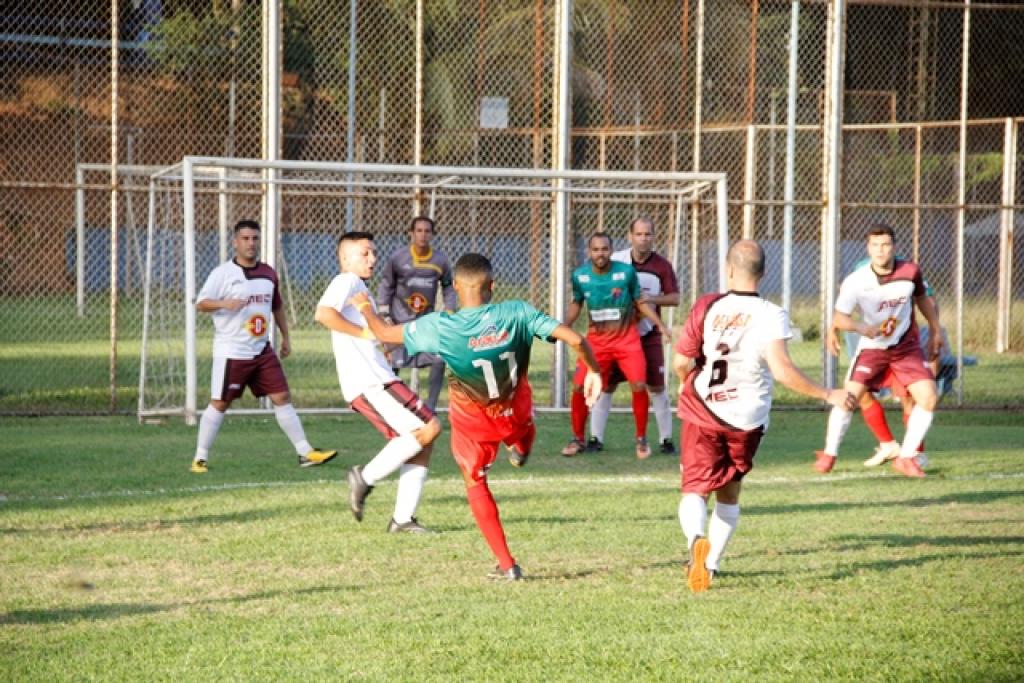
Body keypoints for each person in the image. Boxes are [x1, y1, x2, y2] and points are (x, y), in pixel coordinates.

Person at [352, 253, 602, 581]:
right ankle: (520, 448)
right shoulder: (517, 312)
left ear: (455, 287)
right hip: (516, 412)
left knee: (476, 481)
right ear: (492, 286)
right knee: (522, 429)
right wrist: (594, 371)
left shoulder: (441, 326)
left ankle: (507, 565)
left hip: (474, 426)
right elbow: (577, 339)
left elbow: (384, 334)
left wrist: (364, 307)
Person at [674, 240, 856, 592]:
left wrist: (686, 381)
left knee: (694, 488)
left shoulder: (708, 305)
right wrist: (828, 393)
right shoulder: (772, 314)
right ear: (763, 273)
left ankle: (696, 539)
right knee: (730, 493)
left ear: (729, 269)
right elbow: (783, 370)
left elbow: (681, 361)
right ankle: (710, 565)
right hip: (747, 418)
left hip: (704, 408)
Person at [315, 231, 442, 533]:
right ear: (345, 258)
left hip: (378, 377)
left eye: (373, 252)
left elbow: (375, 332)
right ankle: (364, 477)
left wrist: (383, 340)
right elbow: (323, 314)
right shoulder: (347, 280)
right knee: (429, 428)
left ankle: (403, 519)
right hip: (370, 382)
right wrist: (363, 334)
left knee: (422, 442)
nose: (372, 258)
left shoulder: (360, 289)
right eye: (364, 253)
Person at [189, 220, 336, 474]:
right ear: (235, 242)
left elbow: (277, 306)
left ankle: (305, 452)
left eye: (255, 238)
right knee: (220, 403)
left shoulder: (268, 273)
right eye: (245, 238)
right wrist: (224, 303)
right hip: (232, 352)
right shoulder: (223, 274)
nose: (251, 243)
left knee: (282, 397)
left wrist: (286, 337)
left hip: (262, 350)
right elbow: (201, 303)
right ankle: (199, 458)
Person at [814, 223, 942, 478]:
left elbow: (922, 299)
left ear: (894, 247)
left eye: (885, 245)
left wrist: (935, 329)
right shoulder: (856, 280)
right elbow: (840, 316)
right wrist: (860, 327)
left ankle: (907, 457)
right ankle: (829, 454)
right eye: (875, 245)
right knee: (849, 398)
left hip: (905, 347)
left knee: (927, 398)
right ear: (868, 248)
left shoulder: (910, 271)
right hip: (873, 348)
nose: (881, 250)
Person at [562, 232, 670, 459]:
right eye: (595, 250)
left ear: (611, 251)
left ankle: (641, 440)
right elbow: (576, 303)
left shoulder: (626, 273)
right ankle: (577, 439)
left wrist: (659, 323)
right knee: (579, 386)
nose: (600, 254)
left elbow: (640, 302)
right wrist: (563, 326)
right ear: (589, 252)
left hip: (627, 341)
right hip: (596, 343)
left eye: (604, 249)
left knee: (639, 384)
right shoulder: (580, 275)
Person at [586, 217, 680, 455]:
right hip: (617, 336)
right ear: (630, 236)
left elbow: (675, 298)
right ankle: (595, 438)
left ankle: (666, 440)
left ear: (654, 237)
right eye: (639, 234)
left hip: (647, 335)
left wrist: (651, 299)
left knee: (656, 387)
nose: (643, 239)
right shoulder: (617, 261)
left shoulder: (662, 266)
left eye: (648, 234)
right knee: (606, 386)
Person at [376, 216, 457, 410]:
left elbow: (448, 286)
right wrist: (384, 313)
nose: (423, 235)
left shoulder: (440, 260)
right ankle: (390, 409)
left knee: (439, 359)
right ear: (411, 233)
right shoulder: (398, 258)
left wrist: (449, 309)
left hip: (425, 326)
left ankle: (431, 408)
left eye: (427, 231)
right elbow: (386, 285)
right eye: (419, 230)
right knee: (391, 367)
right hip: (399, 324)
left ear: (433, 234)